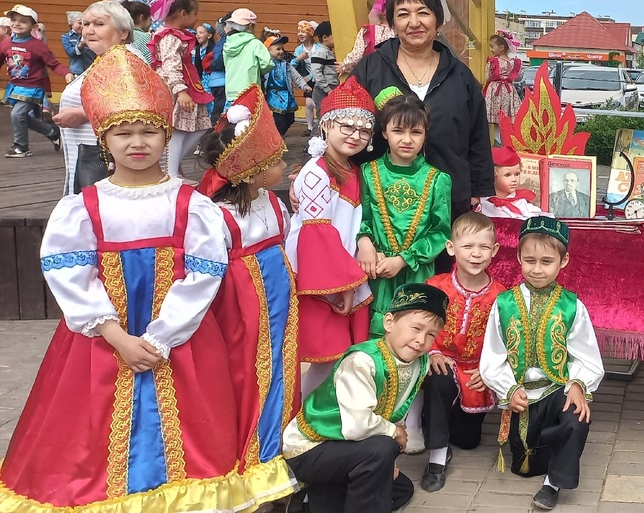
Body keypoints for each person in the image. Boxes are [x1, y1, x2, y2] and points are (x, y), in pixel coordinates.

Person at [0, 45, 276, 511]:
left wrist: (161, 337)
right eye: (123, 133)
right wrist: (117, 336)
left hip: (181, 339)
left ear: (166, 135)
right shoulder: (83, 208)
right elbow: (71, 274)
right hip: (101, 342)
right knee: (91, 435)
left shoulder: (192, 206)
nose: (137, 143)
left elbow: (204, 275)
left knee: (191, 432)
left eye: (148, 131)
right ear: (104, 140)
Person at [195, 85, 300, 497]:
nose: (284, 166)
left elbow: (284, 245)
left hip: (280, 303)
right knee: (250, 376)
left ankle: (278, 448)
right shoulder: (217, 217)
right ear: (252, 171)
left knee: (281, 370)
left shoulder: (274, 204)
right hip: (242, 309)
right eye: (276, 161)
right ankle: (252, 456)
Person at [282, 282, 448, 513]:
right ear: (389, 322)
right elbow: (357, 426)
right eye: (416, 328)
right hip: (312, 449)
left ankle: (315, 500)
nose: (421, 340)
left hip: (352, 449)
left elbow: (396, 411)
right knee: (381, 449)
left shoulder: (419, 362)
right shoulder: (362, 361)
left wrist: (388, 460)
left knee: (401, 488)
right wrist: (394, 434)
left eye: (431, 334)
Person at [480, 216, 603, 511]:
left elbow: (588, 357)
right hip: (520, 395)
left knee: (577, 415)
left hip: (556, 389)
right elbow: (493, 356)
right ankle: (549, 446)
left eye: (546, 261)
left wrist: (577, 385)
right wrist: (508, 389)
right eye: (530, 260)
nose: (537, 269)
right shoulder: (504, 304)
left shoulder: (572, 306)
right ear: (518, 258)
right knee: (525, 464)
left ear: (563, 261)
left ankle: (553, 483)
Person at [351, 0, 494, 221]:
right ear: (392, 23)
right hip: (382, 202)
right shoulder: (370, 69)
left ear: (438, 20)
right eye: (403, 14)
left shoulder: (460, 76)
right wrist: (323, 172)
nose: (414, 22)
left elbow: (477, 136)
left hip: (447, 200)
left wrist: (476, 191)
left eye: (423, 13)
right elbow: (342, 123)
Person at [286, 77, 377, 398]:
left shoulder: (351, 170)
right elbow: (317, 236)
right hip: (321, 278)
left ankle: (307, 415)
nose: (355, 135)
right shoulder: (316, 172)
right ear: (325, 125)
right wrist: (345, 285)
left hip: (340, 274)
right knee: (324, 358)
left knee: (334, 359)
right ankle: (297, 415)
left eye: (364, 130)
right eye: (347, 126)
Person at [419, 212, 506, 491]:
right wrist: (433, 352)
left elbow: (506, 342)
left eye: (483, 247)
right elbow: (419, 327)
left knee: (469, 441)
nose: (475, 254)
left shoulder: (502, 297)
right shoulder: (434, 287)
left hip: (475, 372)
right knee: (439, 379)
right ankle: (437, 458)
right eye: (468, 246)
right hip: (442, 362)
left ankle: (437, 421)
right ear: (451, 248)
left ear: (494, 250)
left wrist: (489, 369)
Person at [357, 93, 452, 338]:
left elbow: (440, 232)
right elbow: (361, 218)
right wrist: (365, 242)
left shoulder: (437, 180)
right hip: (377, 271)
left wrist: (403, 260)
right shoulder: (368, 172)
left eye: (416, 132)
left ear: (425, 134)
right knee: (375, 338)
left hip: (417, 273)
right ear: (384, 132)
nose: (407, 139)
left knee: (414, 336)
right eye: (398, 131)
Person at [52, 0, 134, 195]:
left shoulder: (124, 62)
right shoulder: (107, 58)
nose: (89, 30)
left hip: (108, 160)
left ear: (123, 32)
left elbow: (132, 107)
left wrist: (82, 114)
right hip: (95, 153)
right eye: (85, 24)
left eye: (99, 24)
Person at [148, 0, 214, 181]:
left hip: (186, 83)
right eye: (195, 14)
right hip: (177, 87)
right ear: (183, 14)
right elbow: (170, 65)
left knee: (199, 126)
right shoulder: (170, 37)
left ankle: (171, 166)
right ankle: (171, 172)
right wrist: (180, 91)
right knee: (178, 129)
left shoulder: (175, 36)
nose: (196, 18)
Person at [2, 4, 72, 158]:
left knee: (17, 115)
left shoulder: (37, 46)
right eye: (14, 20)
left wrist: (66, 73)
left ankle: (21, 147)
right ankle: (52, 132)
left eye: (23, 21)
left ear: (33, 27)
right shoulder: (6, 43)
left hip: (32, 88)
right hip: (14, 87)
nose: (17, 24)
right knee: (21, 117)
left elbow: (54, 64)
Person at [477, 143, 548, 220]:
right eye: (507, 175)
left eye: (517, 174)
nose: (514, 179)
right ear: (493, 175)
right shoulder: (483, 203)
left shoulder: (522, 204)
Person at [263, 33, 311, 135]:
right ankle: (277, 137)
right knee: (280, 120)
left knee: (290, 119)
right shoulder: (265, 65)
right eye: (278, 49)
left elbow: (296, 76)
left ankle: (277, 135)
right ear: (268, 50)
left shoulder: (286, 64)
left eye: (282, 49)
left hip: (287, 94)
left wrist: (304, 86)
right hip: (274, 95)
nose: (281, 51)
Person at [223, 8, 273, 107]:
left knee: (231, 116)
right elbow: (267, 64)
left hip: (231, 92)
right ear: (250, 25)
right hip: (249, 92)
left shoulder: (227, 44)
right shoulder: (255, 44)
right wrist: (259, 71)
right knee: (249, 117)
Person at [339, 0, 395, 75]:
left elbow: (357, 55)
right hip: (394, 72)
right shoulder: (398, 31)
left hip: (373, 72)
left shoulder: (368, 31)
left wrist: (344, 66)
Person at [484, 32, 521, 139]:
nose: (491, 49)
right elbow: (518, 77)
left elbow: (487, 77)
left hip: (495, 91)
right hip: (509, 91)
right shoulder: (514, 62)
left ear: (501, 47)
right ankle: (505, 140)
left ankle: (497, 140)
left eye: (492, 46)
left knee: (496, 118)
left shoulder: (493, 61)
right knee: (506, 118)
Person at [195, 22, 227, 122]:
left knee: (210, 99)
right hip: (200, 79)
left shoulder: (214, 49)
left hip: (210, 77)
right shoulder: (196, 49)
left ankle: (210, 119)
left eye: (201, 33)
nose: (197, 35)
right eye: (197, 33)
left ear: (209, 35)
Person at [295, 20, 320, 134]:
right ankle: (309, 127)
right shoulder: (299, 50)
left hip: (318, 78)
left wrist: (310, 76)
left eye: (303, 31)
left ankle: (320, 124)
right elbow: (292, 66)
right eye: (299, 31)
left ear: (310, 33)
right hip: (309, 81)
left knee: (317, 103)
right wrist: (298, 59)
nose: (300, 34)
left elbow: (320, 65)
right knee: (309, 104)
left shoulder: (318, 48)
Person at [309, 21, 339, 108]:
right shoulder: (321, 52)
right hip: (322, 90)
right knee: (324, 113)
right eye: (334, 35)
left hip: (331, 88)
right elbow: (316, 72)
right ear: (325, 38)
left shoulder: (329, 52)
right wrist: (327, 89)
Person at [61, 11, 95, 75]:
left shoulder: (89, 34)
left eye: (84, 23)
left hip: (90, 69)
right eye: (79, 23)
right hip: (76, 71)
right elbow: (69, 51)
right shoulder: (66, 37)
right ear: (72, 23)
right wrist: (79, 46)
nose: (82, 26)